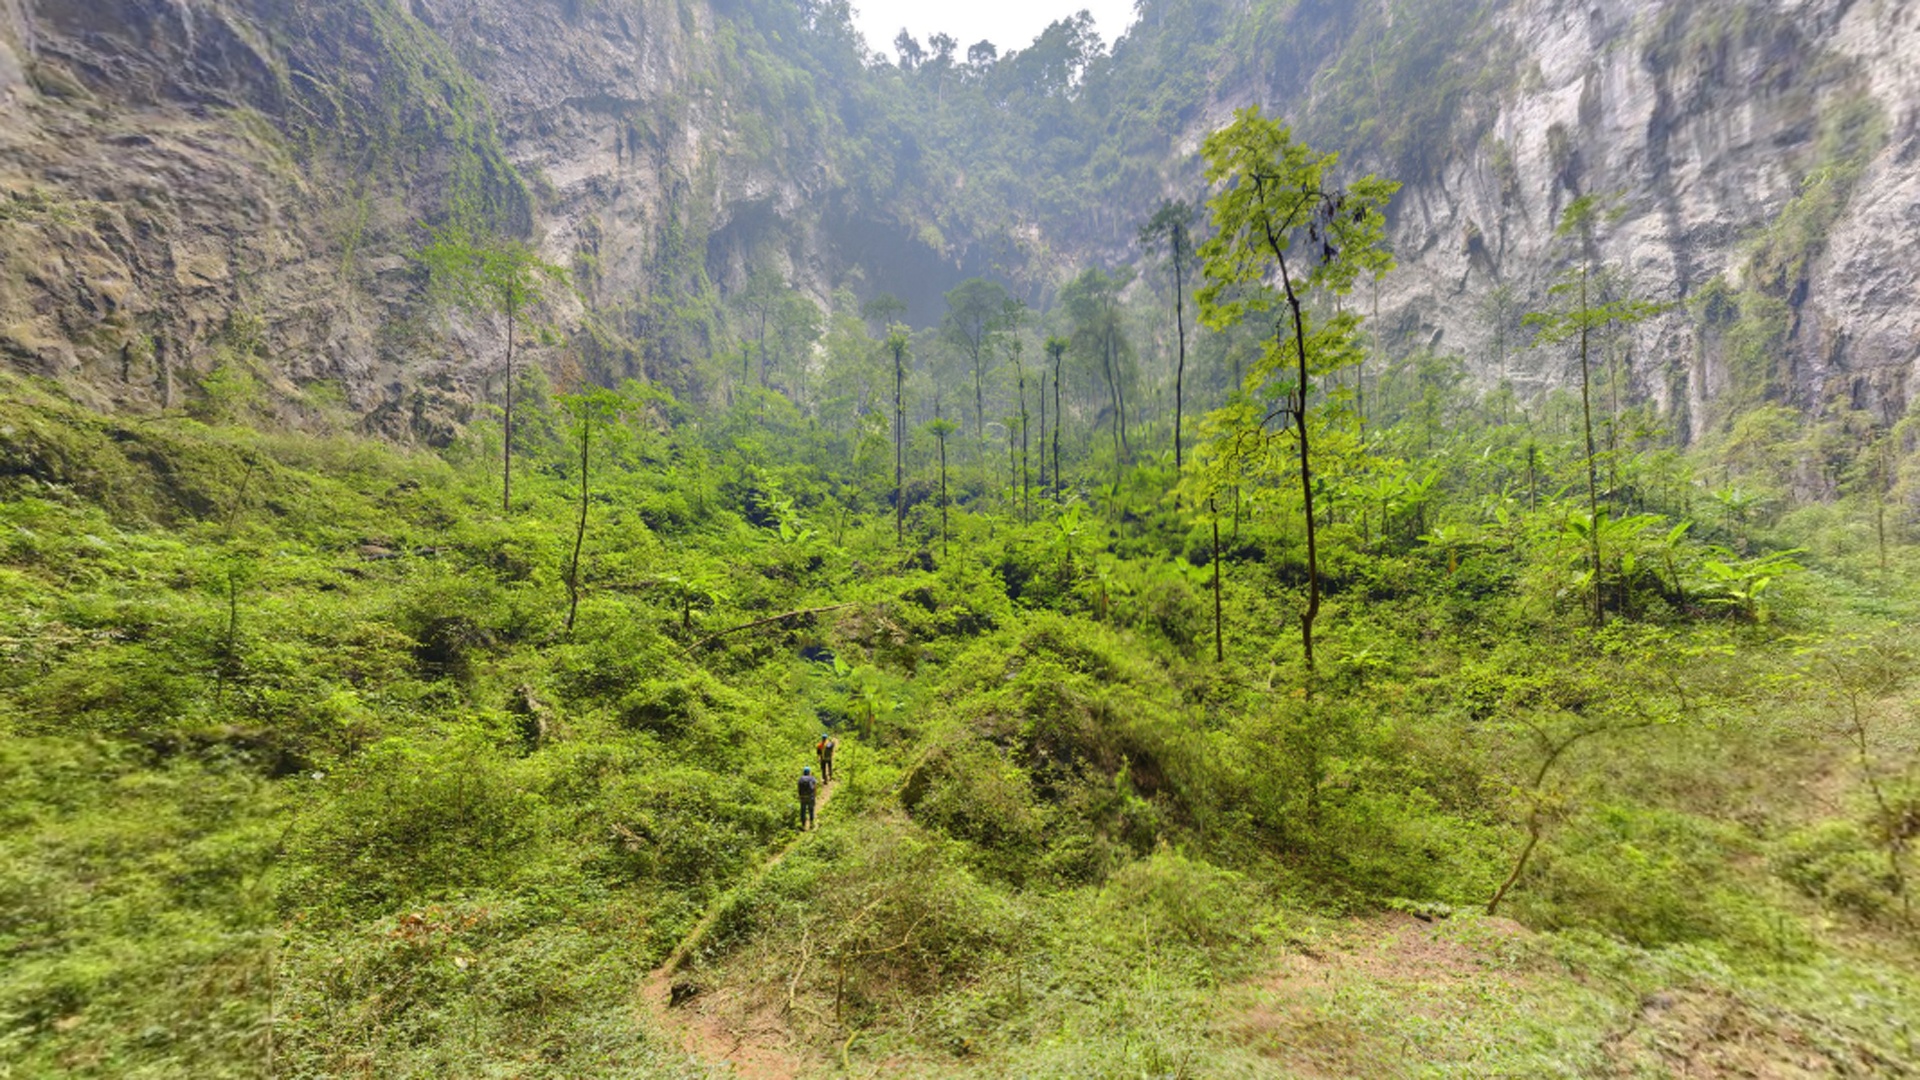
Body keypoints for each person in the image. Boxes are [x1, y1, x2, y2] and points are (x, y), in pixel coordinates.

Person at [798, 766, 818, 830]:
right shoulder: (812, 778)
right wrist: (814, 795)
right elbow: (815, 787)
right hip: (810, 796)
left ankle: (803, 825)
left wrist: (800, 796)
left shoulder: (800, 779)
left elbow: (798, 788)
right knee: (811, 810)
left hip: (803, 797)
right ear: (809, 772)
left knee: (803, 811)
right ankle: (811, 824)